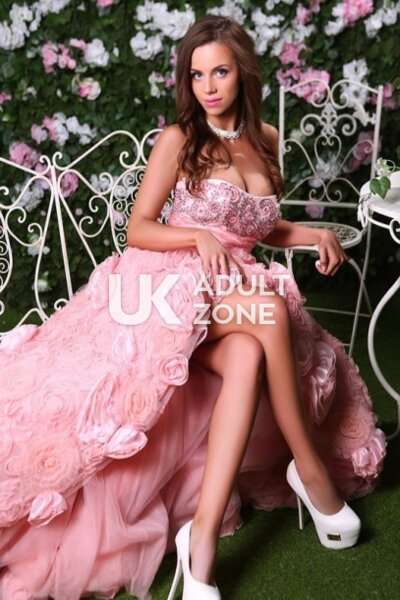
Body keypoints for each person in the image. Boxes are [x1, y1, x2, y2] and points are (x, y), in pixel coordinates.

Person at [0, 14, 386, 600]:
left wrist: (312, 234)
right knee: (270, 311)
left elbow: (258, 227)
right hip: (167, 287)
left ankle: (201, 541)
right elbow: (138, 228)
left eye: (220, 72)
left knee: (248, 354)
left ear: (243, 74)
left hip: (233, 289)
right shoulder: (179, 139)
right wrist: (196, 236)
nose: (208, 86)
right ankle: (309, 472)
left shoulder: (266, 140)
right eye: (197, 74)